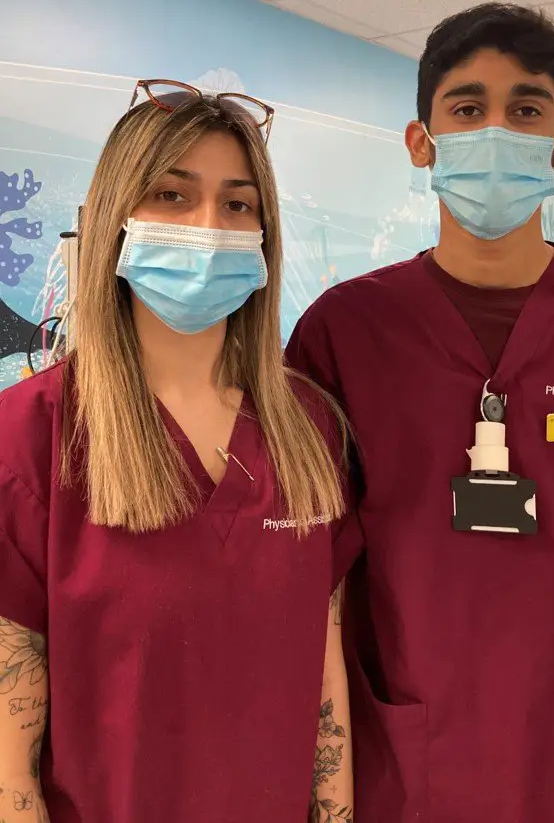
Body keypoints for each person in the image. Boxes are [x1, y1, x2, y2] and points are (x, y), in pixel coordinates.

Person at [287, 2, 554, 823]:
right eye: (466, 109)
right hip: (409, 752)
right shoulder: (342, 331)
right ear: (420, 142)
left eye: (526, 109)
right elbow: (309, 574)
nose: (495, 130)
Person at [0, 81, 354, 823]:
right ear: (114, 220)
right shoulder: (31, 435)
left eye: (237, 204)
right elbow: (10, 773)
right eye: (170, 195)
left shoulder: (306, 426)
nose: (209, 226)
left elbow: (323, 677)